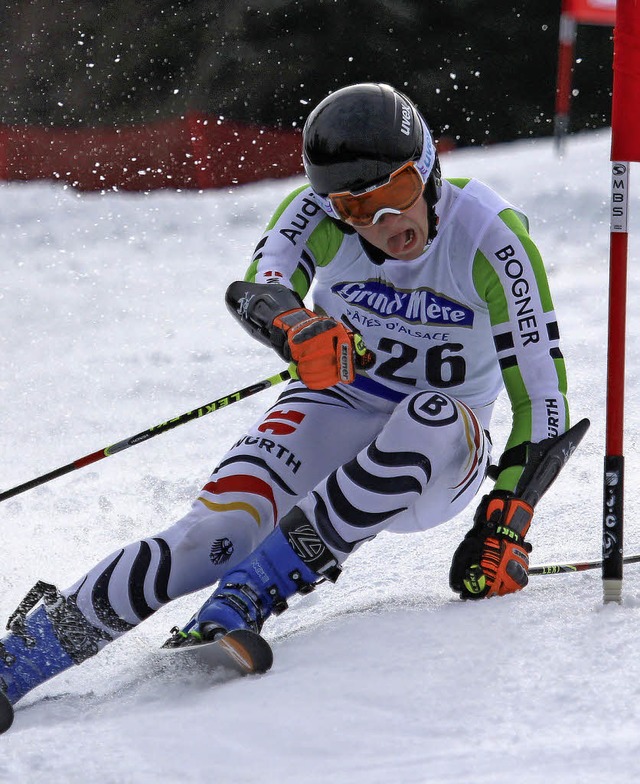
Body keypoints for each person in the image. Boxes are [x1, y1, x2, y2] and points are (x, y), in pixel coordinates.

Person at [0, 83, 570, 710]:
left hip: (441, 452)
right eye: (355, 210)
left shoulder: (490, 237)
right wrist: (293, 326)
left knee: (426, 414)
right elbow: (259, 287)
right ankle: (24, 656)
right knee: (209, 536)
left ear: (430, 168)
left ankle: (248, 596)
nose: (383, 225)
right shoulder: (315, 213)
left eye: (395, 194)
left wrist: (508, 517)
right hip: (339, 405)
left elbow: (542, 396)